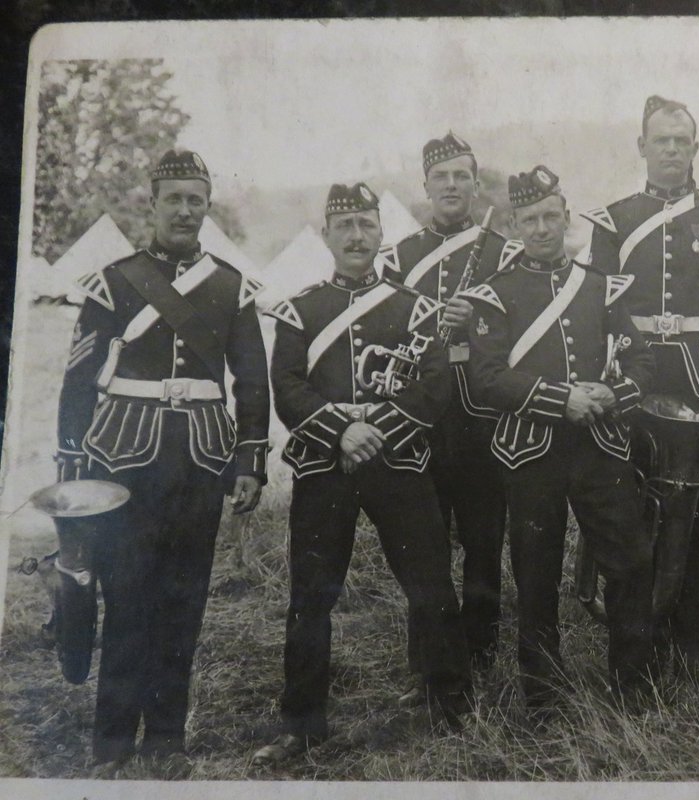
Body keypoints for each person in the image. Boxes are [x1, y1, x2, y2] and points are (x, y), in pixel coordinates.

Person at [55, 149, 270, 776]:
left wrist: (249, 457)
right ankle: (112, 745)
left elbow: (252, 383)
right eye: (172, 198)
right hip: (122, 459)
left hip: (203, 459)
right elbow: (76, 382)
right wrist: (70, 463)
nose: (184, 210)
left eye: (194, 200)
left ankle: (167, 742)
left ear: (208, 206)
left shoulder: (231, 286)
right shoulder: (115, 280)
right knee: (125, 598)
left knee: (184, 602)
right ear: (151, 205)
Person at [252, 182, 472, 765]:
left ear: (381, 235)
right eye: (344, 225)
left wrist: (376, 431)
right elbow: (288, 388)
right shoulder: (299, 310)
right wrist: (341, 432)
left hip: (399, 460)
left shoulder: (414, 308)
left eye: (366, 225)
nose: (356, 236)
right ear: (326, 236)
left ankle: (451, 709)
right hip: (325, 465)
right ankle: (302, 725)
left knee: (430, 586)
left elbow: (436, 384)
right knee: (311, 597)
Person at [465, 165, 655, 721]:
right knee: (535, 575)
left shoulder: (600, 285)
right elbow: (488, 378)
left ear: (567, 217)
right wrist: (559, 399)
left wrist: (612, 391)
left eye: (552, 216)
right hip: (529, 452)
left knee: (631, 562)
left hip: (600, 448)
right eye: (530, 219)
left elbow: (641, 362)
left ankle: (632, 689)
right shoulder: (495, 295)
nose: (543, 228)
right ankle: (543, 698)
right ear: (515, 224)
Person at [582, 95, 699, 691]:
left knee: (695, 529)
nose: (673, 151)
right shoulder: (614, 220)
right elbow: (597, 309)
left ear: (696, 148)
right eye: (662, 141)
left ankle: (695, 660)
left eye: (683, 141)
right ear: (642, 148)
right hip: (637, 383)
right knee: (635, 527)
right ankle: (638, 660)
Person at [377, 133, 509, 692]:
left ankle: (480, 655)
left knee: (483, 539)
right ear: (425, 187)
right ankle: (429, 660)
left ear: (477, 185)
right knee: (423, 543)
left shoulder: (504, 252)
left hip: (481, 414)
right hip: (420, 417)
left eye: (462, 176)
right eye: (441, 178)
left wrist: (475, 320)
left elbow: (519, 334)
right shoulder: (398, 257)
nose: (451, 186)